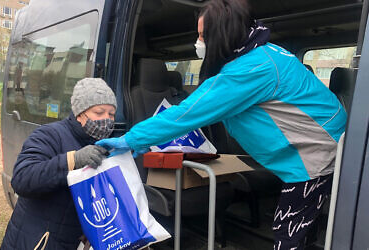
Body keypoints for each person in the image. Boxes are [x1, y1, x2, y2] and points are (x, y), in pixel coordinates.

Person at [96, 0, 346, 249]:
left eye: (204, 35)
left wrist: (131, 139)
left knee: (288, 236)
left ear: (223, 34)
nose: (199, 42)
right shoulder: (264, 52)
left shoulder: (251, 69)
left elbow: (185, 115)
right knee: (302, 232)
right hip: (322, 150)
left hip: (314, 159)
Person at [1, 78, 117, 249]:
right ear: (80, 113)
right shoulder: (50, 135)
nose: (106, 120)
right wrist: (72, 161)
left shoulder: (105, 145)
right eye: (99, 113)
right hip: (38, 241)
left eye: (111, 114)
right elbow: (22, 179)